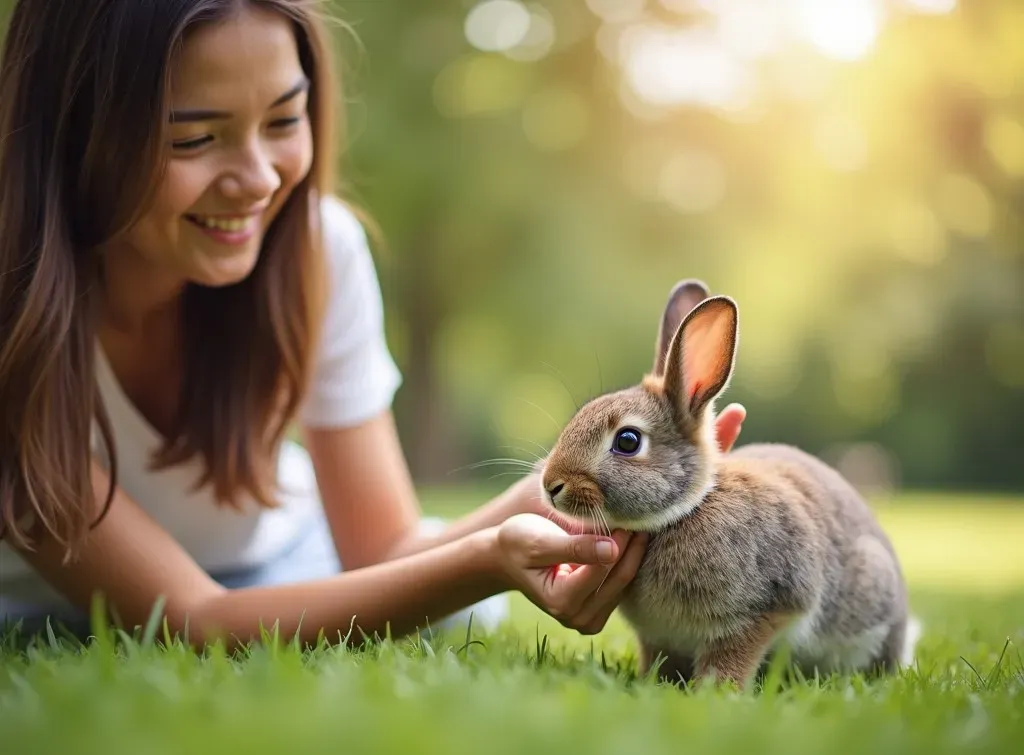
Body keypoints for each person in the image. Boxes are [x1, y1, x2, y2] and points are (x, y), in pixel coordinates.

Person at [0, 0, 746, 648]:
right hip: (58, 607)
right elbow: (195, 618)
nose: (259, 178)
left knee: (456, 617)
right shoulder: (15, 320)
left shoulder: (318, 250)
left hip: (284, 559)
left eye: (285, 120)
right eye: (195, 138)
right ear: (76, 131)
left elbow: (383, 550)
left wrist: (559, 497)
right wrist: (487, 561)